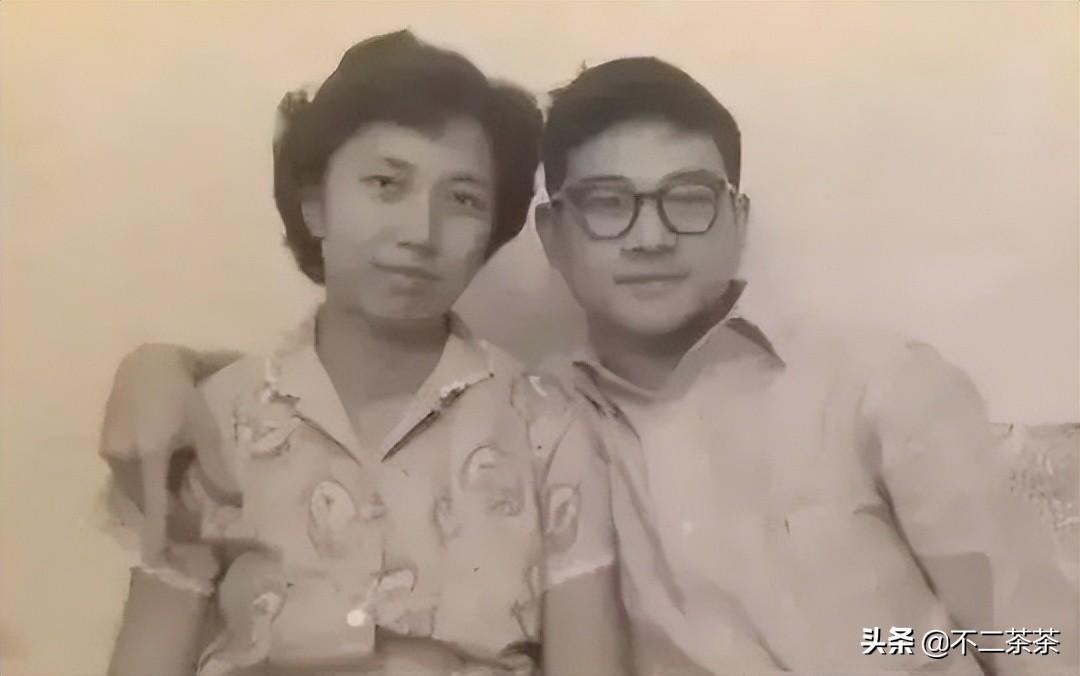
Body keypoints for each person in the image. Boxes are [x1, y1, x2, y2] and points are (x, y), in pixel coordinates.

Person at [101, 54, 1078, 675]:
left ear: (737, 221)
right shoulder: (547, 416)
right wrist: (164, 367)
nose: (650, 236)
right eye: (609, 203)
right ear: (553, 237)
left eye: (688, 198)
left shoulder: (877, 386)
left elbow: (1035, 638)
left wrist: (893, 649)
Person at [102, 30, 626, 676]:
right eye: (385, 183)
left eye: (463, 199)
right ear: (315, 206)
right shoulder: (216, 419)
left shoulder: (548, 428)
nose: (420, 233)